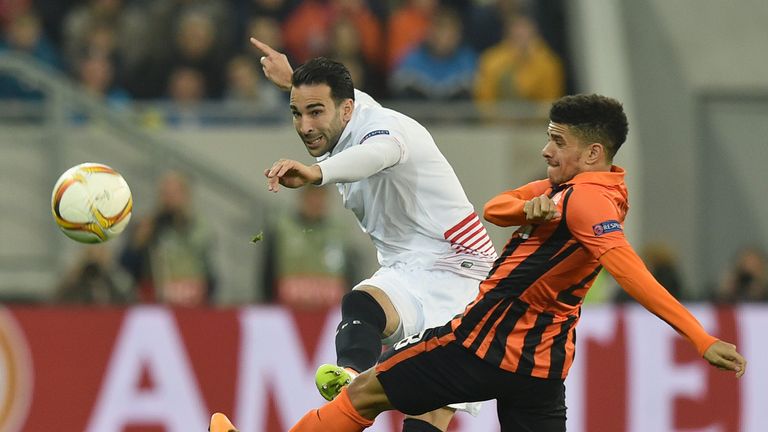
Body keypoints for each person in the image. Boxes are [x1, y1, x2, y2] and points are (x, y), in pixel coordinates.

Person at [211, 93, 747, 432]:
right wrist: (531, 205)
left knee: (366, 392)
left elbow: (631, 272)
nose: (546, 150)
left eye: (557, 141)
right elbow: (495, 207)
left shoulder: (584, 200)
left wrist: (699, 338)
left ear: (592, 152)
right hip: (542, 367)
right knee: (423, 411)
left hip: (483, 342)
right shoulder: (590, 188)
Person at [248, 38, 498, 432]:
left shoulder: (385, 129)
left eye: (315, 112)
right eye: (296, 113)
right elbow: (326, 95)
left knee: (426, 414)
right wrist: (292, 79)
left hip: (460, 273)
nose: (305, 126)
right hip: (407, 267)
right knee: (361, 305)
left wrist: (317, 173)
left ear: (348, 109)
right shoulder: (344, 110)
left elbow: (375, 154)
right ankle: (348, 375)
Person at [119, 170, 217, 306]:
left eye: (175, 193)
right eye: (165, 193)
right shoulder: (148, 227)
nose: (169, 199)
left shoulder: (199, 229)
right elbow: (125, 265)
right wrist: (137, 243)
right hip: (156, 303)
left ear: (186, 196)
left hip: (192, 302)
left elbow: (209, 272)